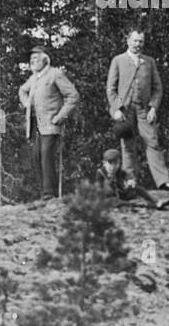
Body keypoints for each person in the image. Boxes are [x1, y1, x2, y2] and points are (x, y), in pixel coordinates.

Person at [106, 29, 169, 191]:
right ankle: (129, 182)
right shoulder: (118, 60)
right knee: (127, 145)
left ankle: (163, 182)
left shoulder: (149, 61)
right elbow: (111, 89)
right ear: (128, 41)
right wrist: (117, 108)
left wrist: (153, 107)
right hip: (125, 110)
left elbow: (157, 88)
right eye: (135, 41)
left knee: (152, 142)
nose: (138, 45)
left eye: (141, 41)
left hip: (144, 110)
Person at [18, 46, 79, 198]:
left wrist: (60, 116)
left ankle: (49, 193)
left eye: (36, 59)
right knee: (36, 156)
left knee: (46, 154)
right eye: (31, 60)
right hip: (36, 125)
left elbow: (73, 96)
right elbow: (22, 90)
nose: (32, 62)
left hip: (52, 123)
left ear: (45, 60)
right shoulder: (34, 77)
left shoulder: (55, 74)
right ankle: (44, 192)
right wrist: (27, 104)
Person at [94, 148, 160, 208]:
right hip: (110, 198)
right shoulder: (100, 173)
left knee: (137, 188)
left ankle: (156, 201)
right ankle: (139, 205)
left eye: (116, 163)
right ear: (104, 163)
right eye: (110, 163)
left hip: (120, 194)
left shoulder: (119, 171)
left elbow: (127, 176)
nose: (113, 166)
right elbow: (98, 191)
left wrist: (130, 181)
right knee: (114, 201)